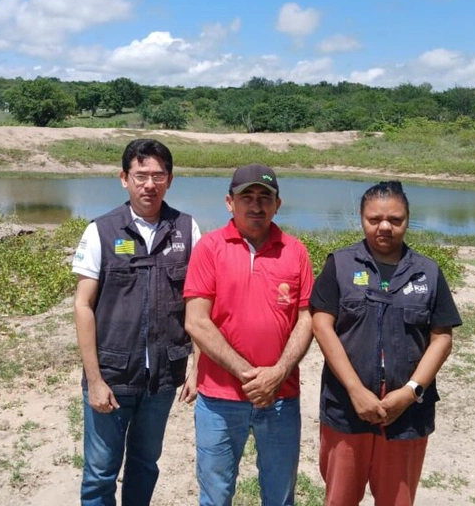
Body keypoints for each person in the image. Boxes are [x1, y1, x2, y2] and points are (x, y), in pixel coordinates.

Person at [309, 181, 461, 506]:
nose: (385, 227)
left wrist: (410, 392)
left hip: (406, 416)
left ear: (407, 220)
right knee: (339, 500)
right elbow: (322, 325)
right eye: (374, 219)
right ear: (361, 218)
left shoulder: (428, 272)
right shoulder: (340, 265)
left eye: (395, 219)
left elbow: (442, 338)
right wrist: (355, 390)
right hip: (346, 409)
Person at [72, 138, 202, 506]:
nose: (149, 184)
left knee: (145, 464)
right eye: (140, 175)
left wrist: (198, 367)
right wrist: (94, 380)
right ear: (124, 179)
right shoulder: (101, 230)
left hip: (163, 377)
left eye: (158, 176)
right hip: (112, 374)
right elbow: (83, 305)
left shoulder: (187, 229)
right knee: (100, 472)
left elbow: (198, 305)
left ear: (170, 180)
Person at [184, 163, 315, 506]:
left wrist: (278, 373)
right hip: (219, 398)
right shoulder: (209, 248)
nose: (256, 206)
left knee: (280, 496)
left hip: (281, 396)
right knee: (215, 496)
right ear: (230, 202)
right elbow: (196, 322)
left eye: (264, 198)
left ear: (277, 204)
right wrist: (251, 376)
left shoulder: (295, 251)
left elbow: (306, 319)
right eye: (247, 197)